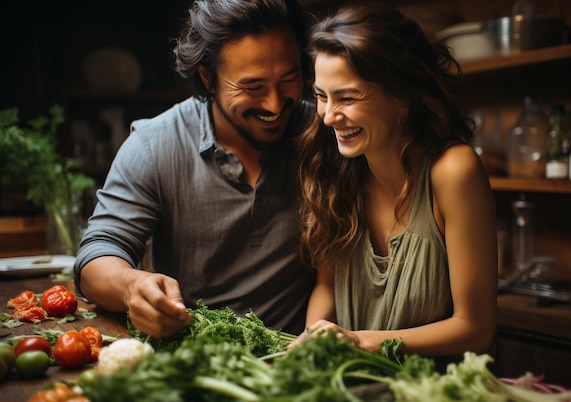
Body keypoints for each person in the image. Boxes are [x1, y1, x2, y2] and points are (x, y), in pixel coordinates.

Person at [73, 0, 316, 338]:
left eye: (290, 79)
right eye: (253, 86)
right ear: (208, 78)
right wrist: (131, 285)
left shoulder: (322, 134)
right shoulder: (154, 144)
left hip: (294, 356)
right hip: (191, 356)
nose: (275, 104)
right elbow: (97, 256)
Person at [291, 5, 498, 363]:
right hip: (354, 391)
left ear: (402, 95)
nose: (326, 116)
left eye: (347, 97)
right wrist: (316, 336)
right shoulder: (334, 168)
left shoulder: (453, 171)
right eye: (321, 96)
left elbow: (475, 328)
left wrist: (358, 342)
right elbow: (326, 286)